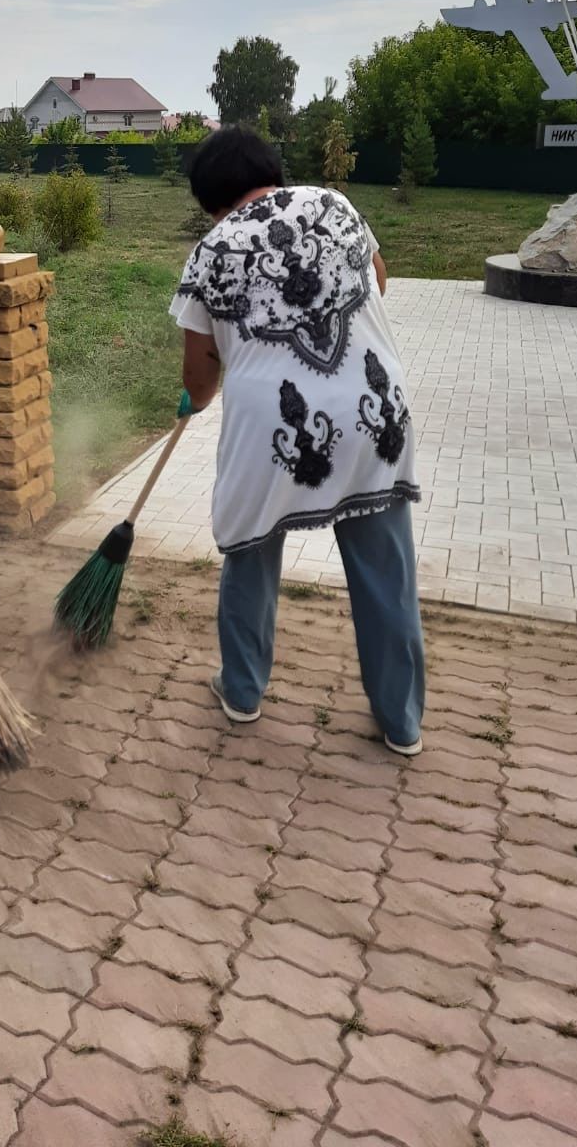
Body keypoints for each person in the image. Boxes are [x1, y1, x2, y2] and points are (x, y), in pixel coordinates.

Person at [171, 126, 425, 755]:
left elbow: (200, 377)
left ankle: (242, 691)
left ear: (212, 200)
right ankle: (401, 722)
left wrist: (196, 396)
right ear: (271, 171)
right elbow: (380, 282)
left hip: (275, 426)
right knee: (384, 562)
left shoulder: (210, 251)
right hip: (374, 408)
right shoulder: (335, 206)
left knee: (249, 545)